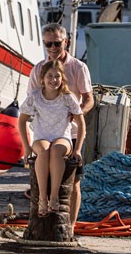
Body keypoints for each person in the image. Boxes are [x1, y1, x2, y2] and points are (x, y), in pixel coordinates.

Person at [26, 23, 94, 232]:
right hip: (45, 132)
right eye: (48, 44)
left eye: (57, 43)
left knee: (73, 183)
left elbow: (89, 98)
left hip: (70, 133)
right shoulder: (39, 69)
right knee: (42, 175)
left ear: (66, 42)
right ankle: (44, 220)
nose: (53, 47)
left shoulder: (78, 67)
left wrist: (77, 113)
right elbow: (31, 102)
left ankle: (69, 227)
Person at [18, 60, 86, 216]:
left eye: (57, 76)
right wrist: (27, 147)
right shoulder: (34, 96)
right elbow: (21, 121)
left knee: (55, 151)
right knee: (44, 151)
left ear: (62, 78)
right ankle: (43, 198)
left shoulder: (67, 97)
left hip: (62, 137)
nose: (53, 80)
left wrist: (78, 149)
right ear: (42, 77)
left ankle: (54, 197)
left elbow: (81, 124)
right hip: (41, 136)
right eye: (49, 76)